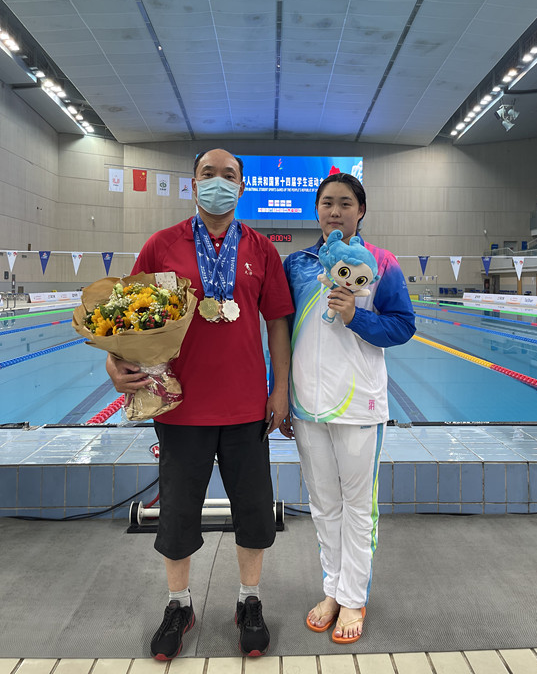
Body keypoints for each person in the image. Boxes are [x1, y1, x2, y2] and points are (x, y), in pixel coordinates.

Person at [106, 148, 293, 660]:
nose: (218, 182)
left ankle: (249, 599)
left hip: (247, 407)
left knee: (253, 511)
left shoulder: (261, 249)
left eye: (228, 175)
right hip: (179, 407)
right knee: (178, 514)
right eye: (208, 174)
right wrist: (114, 363)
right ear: (193, 184)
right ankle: (179, 604)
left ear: (242, 187)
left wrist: (280, 389)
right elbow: (126, 317)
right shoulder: (161, 245)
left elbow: (278, 322)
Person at [282, 172, 415, 644]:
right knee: (323, 505)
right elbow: (279, 329)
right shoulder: (298, 265)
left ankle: (354, 597)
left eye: (344, 203)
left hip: (360, 404)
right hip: (307, 405)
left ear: (361, 210)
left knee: (359, 508)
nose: (335, 211)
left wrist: (356, 315)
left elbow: (403, 326)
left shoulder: (380, 262)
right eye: (327, 203)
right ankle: (333, 590)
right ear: (316, 210)